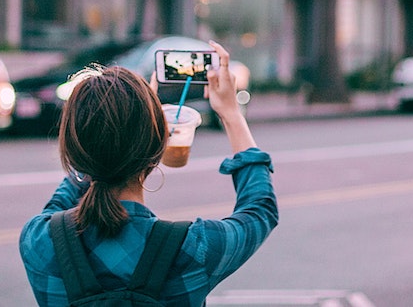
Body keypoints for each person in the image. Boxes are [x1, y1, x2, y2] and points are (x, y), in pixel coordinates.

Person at [19, 41, 277, 306]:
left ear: (73, 150)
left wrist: (128, 122)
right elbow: (260, 211)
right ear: (157, 147)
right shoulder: (193, 248)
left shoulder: (40, 240)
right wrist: (231, 114)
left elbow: (71, 184)